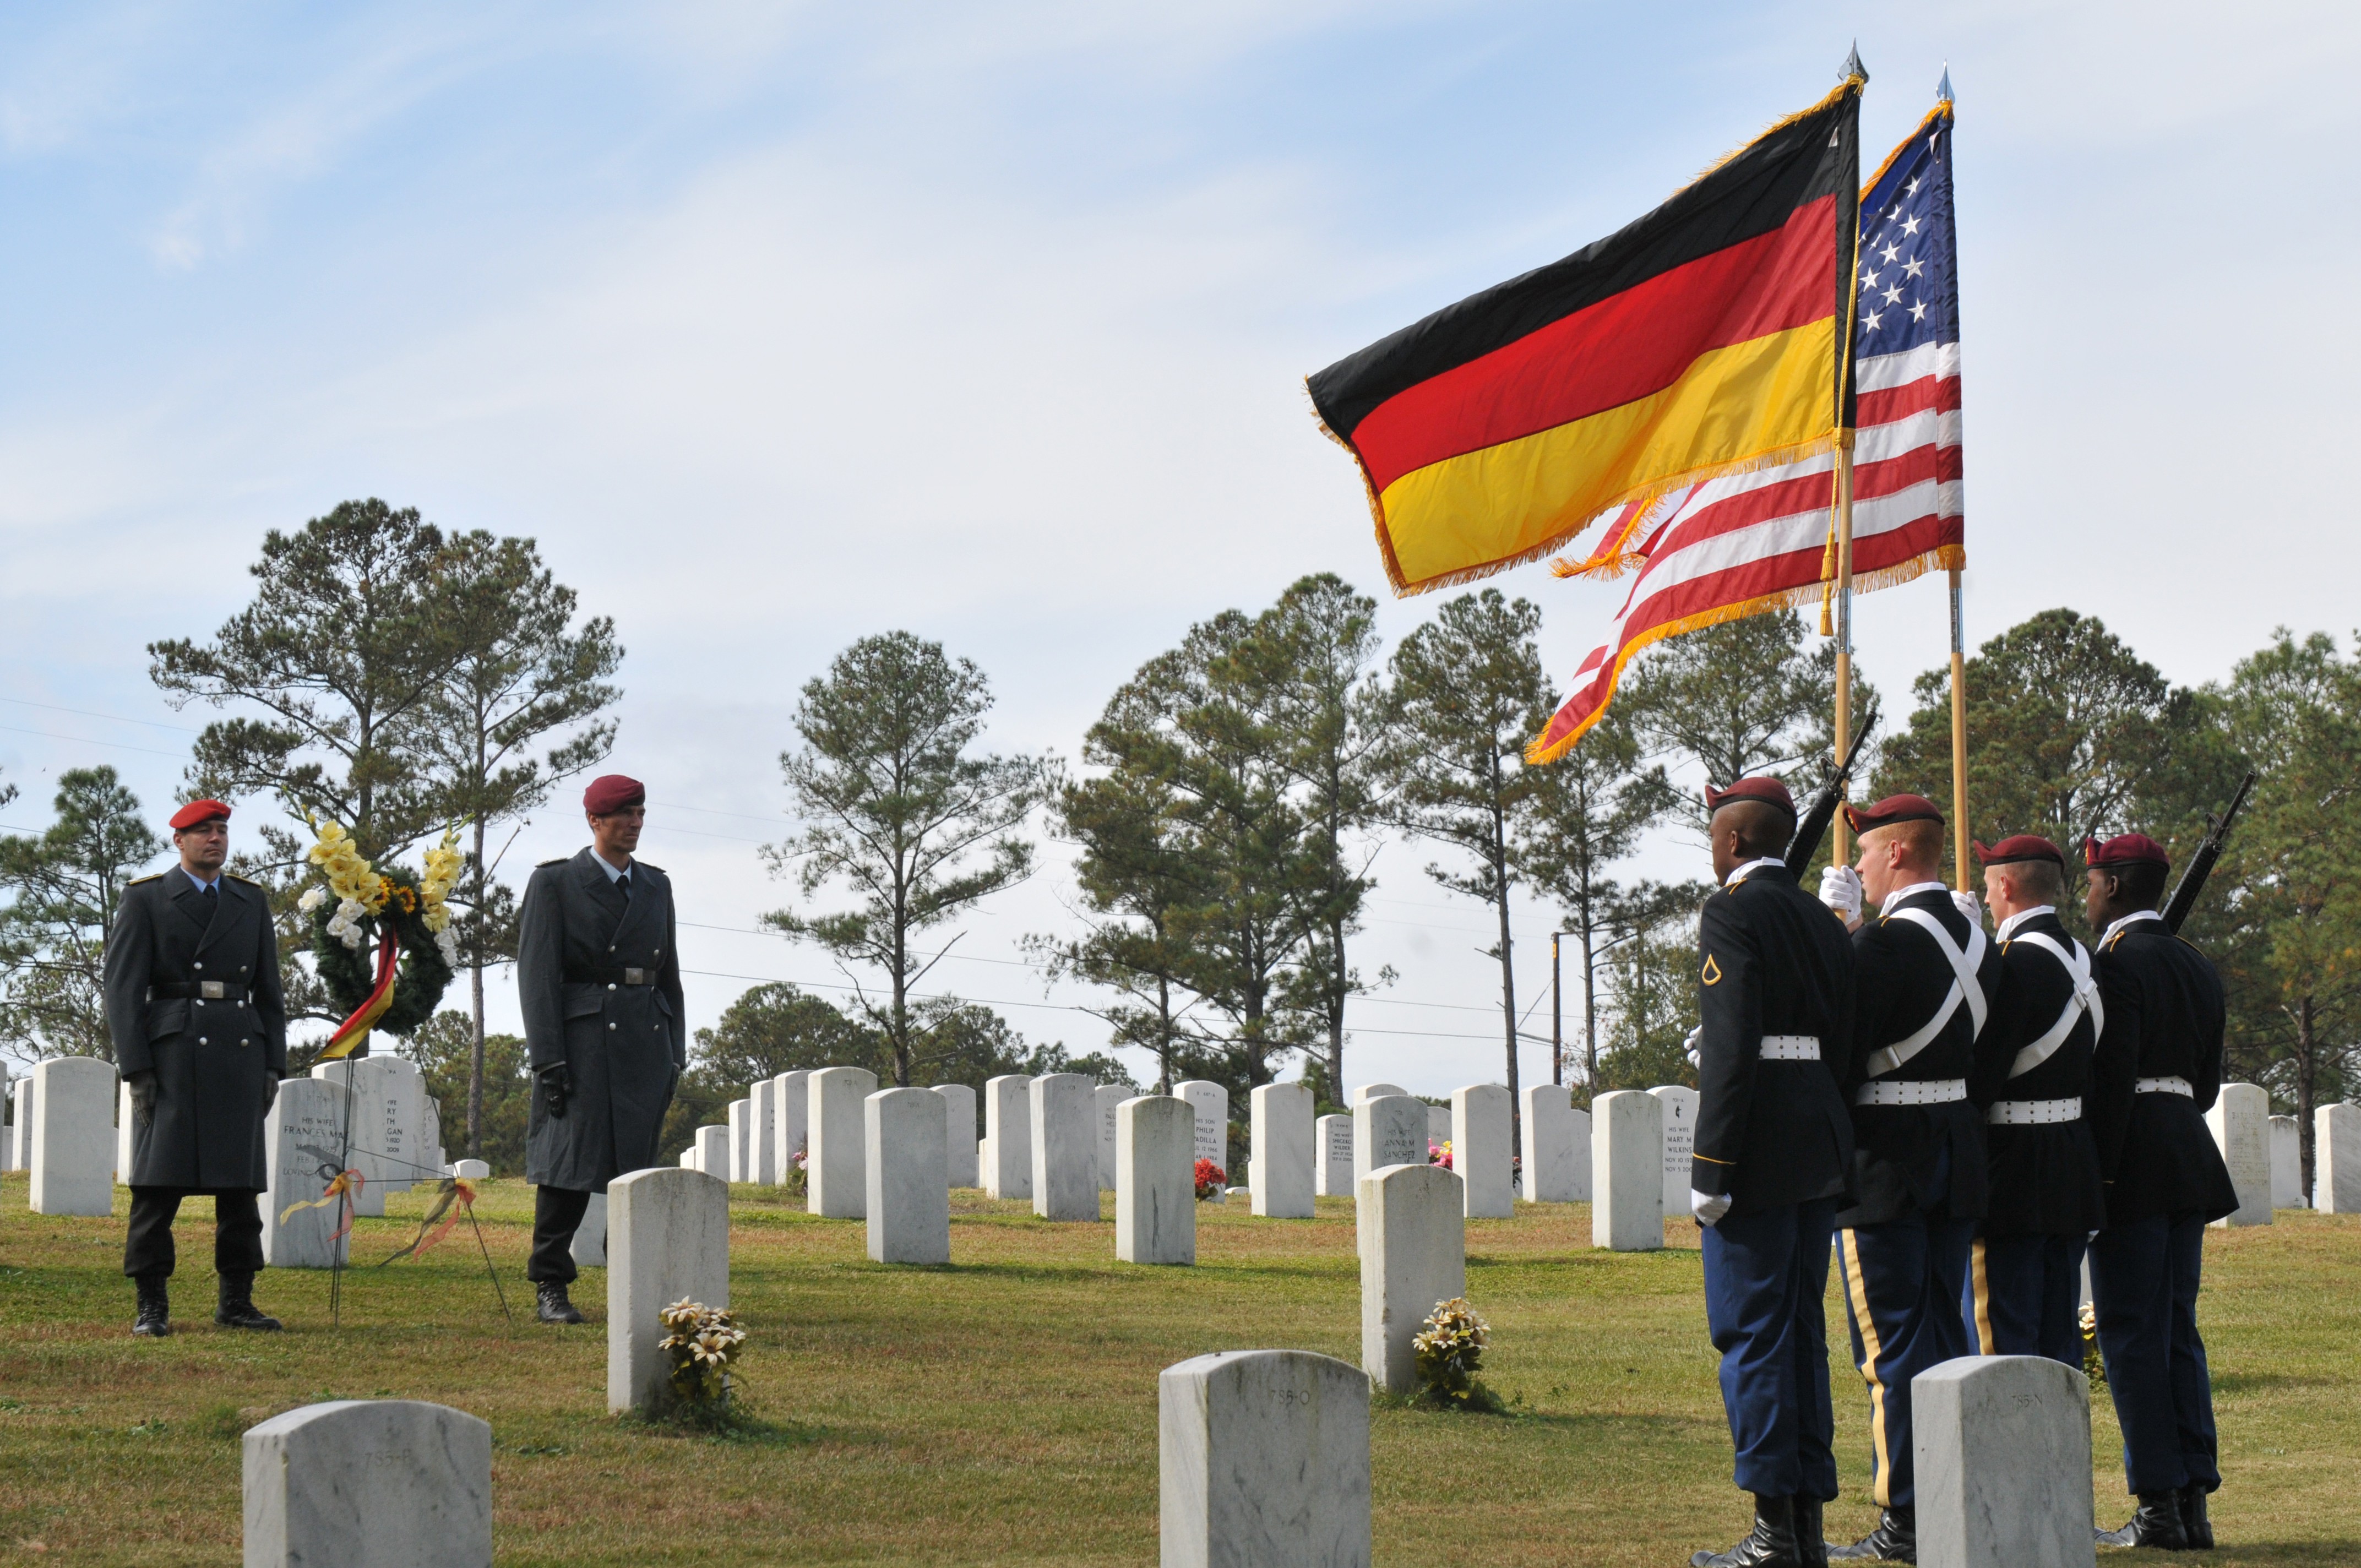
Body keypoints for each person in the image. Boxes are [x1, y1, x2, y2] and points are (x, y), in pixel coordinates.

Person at [1815, 794, 2005, 1564]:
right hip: (1957, 1153)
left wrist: (1835, 937)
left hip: (1886, 1163)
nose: (1856, 867)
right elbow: (1989, 1062)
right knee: (1948, 1336)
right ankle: (1952, 1494)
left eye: (1864, 854)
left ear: (1896, 853)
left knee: (1891, 1349)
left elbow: (1835, 1048)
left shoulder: (1879, 948)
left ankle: (1904, 1515)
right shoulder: (1982, 943)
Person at [1687, 777, 1857, 1568]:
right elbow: (1846, 1041)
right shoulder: (1825, 922)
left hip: (1755, 1150)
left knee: (1751, 1336)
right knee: (1801, 1340)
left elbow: (1731, 1046)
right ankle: (1808, 1530)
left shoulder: (1732, 911)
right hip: (1818, 1141)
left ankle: (1771, 1534)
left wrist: (1711, 1165)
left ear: (1734, 842)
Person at [2083, 832, 2237, 1551]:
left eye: (2090, 882)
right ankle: (2193, 1500)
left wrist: (2099, 1177)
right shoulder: (2197, 967)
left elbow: (2111, 1081)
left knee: (2132, 1334)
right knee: (2178, 1330)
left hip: (2136, 1160)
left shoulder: (2116, 963)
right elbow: (2206, 1085)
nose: (2085, 896)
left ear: (2114, 887)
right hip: (2187, 1150)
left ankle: (2156, 1506)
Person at [103, 798, 288, 1336]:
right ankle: (152, 1304)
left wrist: (273, 1062)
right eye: (203, 831)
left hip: (237, 1050)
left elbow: (270, 991)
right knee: (157, 1190)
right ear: (178, 841)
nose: (215, 839)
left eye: (221, 830)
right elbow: (122, 990)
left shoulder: (250, 901)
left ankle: (237, 1301)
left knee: (239, 1192)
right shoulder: (147, 899)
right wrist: (136, 1068)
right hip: (173, 1056)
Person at [514, 774, 686, 1324]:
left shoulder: (656, 886)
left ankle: (633, 1278)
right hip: (581, 1043)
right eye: (623, 814)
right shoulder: (556, 883)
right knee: (568, 1168)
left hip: (644, 1040)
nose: (634, 823)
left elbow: (670, 977)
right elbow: (537, 977)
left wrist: (675, 1048)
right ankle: (551, 1284)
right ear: (595, 820)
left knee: (635, 1170)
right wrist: (549, 1059)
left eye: (639, 813)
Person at [1960, 835, 2106, 1366]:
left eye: (1989, 884)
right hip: (2071, 1162)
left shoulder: (2009, 965)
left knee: (2004, 1341)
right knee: (2058, 1339)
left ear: (2006, 885)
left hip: (2012, 1169)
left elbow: (1980, 1075)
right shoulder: (2086, 961)